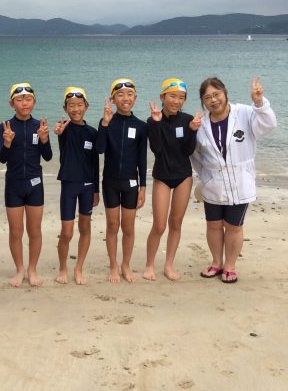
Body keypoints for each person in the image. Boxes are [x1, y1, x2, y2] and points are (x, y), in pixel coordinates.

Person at [191, 77, 277, 284]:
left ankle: (230, 266)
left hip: (240, 183)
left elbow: (269, 125)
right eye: (208, 97)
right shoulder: (201, 124)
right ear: (203, 101)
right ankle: (216, 263)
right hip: (213, 184)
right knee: (213, 225)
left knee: (233, 227)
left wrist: (259, 102)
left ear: (225, 93)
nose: (214, 100)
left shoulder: (244, 113)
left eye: (217, 94)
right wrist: (206, 176)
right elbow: (195, 155)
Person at [144, 78, 203, 281]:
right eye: (172, 96)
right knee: (159, 225)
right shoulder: (152, 120)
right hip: (162, 176)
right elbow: (156, 149)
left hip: (183, 177)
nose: (176, 101)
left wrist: (193, 130)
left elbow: (188, 151)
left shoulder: (187, 120)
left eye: (181, 98)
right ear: (162, 97)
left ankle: (169, 265)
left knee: (176, 223)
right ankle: (149, 265)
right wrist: (157, 123)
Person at [0, 83, 52, 287]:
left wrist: (44, 139)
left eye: (28, 99)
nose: (24, 103)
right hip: (13, 184)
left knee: (35, 230)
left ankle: (32, 269)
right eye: (19, 100)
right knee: (16, 232)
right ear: (12, 104)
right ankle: (20, 269)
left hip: (35, 184)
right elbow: (2, 158)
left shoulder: (40, 125)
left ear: (34, 102)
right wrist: (7, 143)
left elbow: (48, 157)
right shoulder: (5, 127)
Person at [95, 78, 148, 283]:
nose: (125, 98)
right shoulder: (107, 122)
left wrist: (143, 186)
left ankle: (126, 264)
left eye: (129, 94)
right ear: (112, 99)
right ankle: (113, 265)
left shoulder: (141, 126)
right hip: (110, 182)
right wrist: (105, 123)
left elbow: (142, 159)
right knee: (112, 225)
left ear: (135, 98)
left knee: (128, 227)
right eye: (120, 95)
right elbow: (99, 149)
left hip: (131, 184)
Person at [53, 87, 100, 285]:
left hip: (88, 185)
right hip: (69, 184)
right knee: (67, 232)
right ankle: (63, 268)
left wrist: (97, 190)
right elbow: (59, 133)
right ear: (65, 108)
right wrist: (58, 131)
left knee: (85, 227)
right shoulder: (64, 129)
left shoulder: (92, 133)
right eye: (71, 106)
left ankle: (78, 268)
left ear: (86, 107)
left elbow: (95, 163)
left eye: (79, 105)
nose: (75, 109)